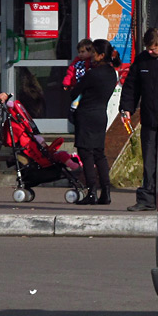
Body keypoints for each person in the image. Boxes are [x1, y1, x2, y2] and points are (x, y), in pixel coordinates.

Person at [68, 39, 120, 205]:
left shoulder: (92, 74)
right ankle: (106, 191)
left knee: (86, 153)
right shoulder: (112, 73)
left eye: (93, 52)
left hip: (86, 115)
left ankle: (92, 192)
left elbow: (74, 91)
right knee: (99, 153)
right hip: (100, 115)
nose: (90, 55)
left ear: (101, 55)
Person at [119, 27, 158, 212]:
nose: (150, 51)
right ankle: (147, 198)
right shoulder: (142, 60)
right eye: (148, 48)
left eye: (154, 48)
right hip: (149, 119)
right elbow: (131, 85)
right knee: (149, 161)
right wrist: (126, 108)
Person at [63, 38, 95, 125]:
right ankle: (73, 112)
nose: (80, 54)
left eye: (83, 52)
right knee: (77, 98)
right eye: (79, 52)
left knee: (80, 100)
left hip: (85, 86)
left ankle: (74, 110)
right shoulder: (77, 62)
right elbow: (70, 72)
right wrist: (67, 83)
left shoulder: (91, 62)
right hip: (76, 85)